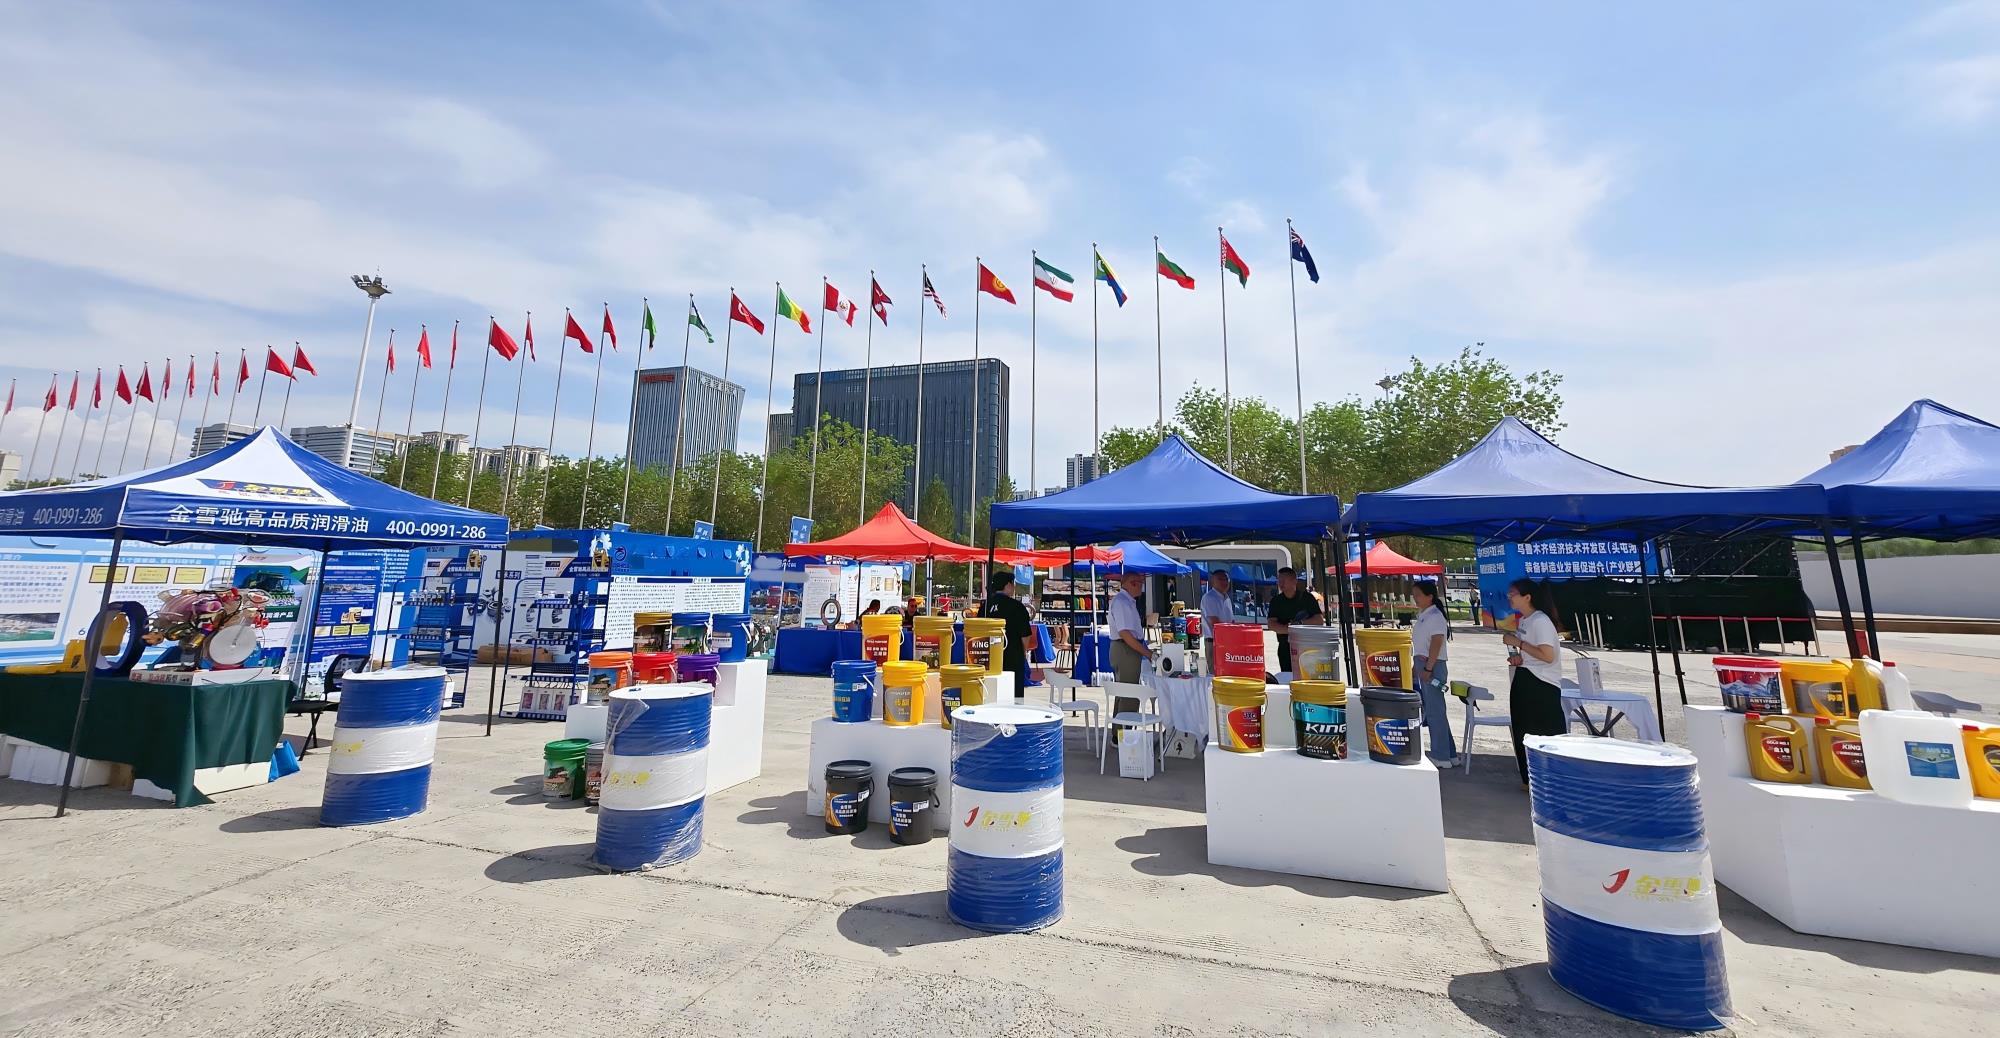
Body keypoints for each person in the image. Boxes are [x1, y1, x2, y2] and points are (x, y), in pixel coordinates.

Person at [1503, 577, 1567, 787]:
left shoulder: (1540, 620)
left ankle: (1551, 778)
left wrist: (1518, 643)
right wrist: (1518, 656)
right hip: (1526, 676)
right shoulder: (1524, 620)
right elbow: (1532, 653)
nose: (1509, 597)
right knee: (1523, 729)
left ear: (1527, 597)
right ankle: (1530, 778)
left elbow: (1548, 656)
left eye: (1513, 594)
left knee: (1542, 731)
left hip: (1542, 683)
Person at [1410, 580, 1457, 768]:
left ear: (1430, 596)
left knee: (1435, 712)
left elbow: (1437, 642)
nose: (1415, 598)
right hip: (1424, 663)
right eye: (1414, 595)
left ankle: (1441, 756)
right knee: (1436, 710)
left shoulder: (1435, 616)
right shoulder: (1425, 615)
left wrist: (1428, 668)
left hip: (1433, 665)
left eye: (1419, 595)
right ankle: (1450, 753)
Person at [1107, 571, 1154, 729]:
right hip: (1126, 648)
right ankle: (1125, 734)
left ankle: (1120, 733)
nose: (1141, 587)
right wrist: (1147, 653)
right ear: (1131, 583)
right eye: (1140, 583)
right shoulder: (1122, 602)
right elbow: (1125, 633)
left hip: (1126, 648)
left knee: (1124, 692)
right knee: (1130, 693)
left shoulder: (1126, 601)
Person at [981, 571, 1035, 699]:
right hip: (1013, 655)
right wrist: (1023, 652)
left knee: (989, 693)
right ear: (1008, 585)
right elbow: (1025, 635)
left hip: (987, 655)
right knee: (1013, 695)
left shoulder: (985, 606)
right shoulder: (1017, 607)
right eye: (1013, 584)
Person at [1265, 566, 1324, 675]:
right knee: (1288, 677)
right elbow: (1271, 624)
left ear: (1294, 581)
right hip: (1285, 647)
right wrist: (1289, 629)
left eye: (1284, 580)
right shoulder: (1276, 601)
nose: (1281, 583)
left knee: (1308, 676)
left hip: (1306, 646)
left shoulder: (1307, 598)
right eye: (1279, 580)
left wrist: (1300, 624)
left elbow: (1319, 620)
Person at [1199, 568, 1233, 667]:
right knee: (1215, 671)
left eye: (1226, 579)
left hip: (1227, 640)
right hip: (1214, 642)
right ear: (1213, 582)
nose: (1224, 582)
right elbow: (1215, 623)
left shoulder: (1227, 598)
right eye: (1221, 579)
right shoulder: (1209, 598)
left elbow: (1231, 621)